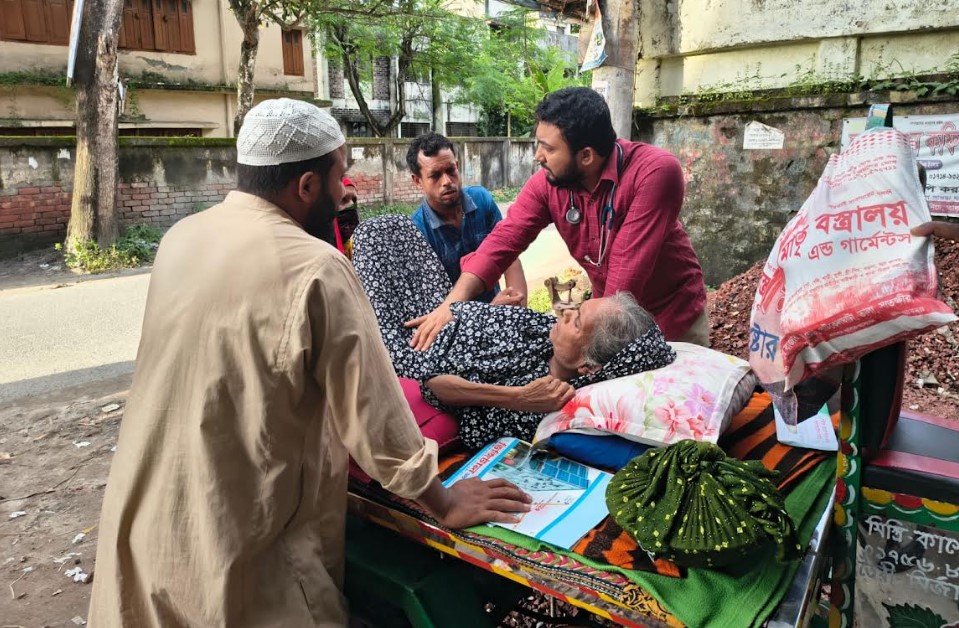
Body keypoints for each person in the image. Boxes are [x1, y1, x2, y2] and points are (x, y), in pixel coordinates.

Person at [87, 99, 530, 627]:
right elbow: (375, 419)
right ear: (305, 186)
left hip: (145, 510)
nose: (346, 192)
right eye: (340, 176)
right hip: (239, 530)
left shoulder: (183, 237)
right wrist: (445, 503)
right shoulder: (317, 267)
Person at [406, 87, 708, 350]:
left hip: (670, 317)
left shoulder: (653, 173)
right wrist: (451, 306)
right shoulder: (548, 183)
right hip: (606, 314)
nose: (538, 156)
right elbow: (503, 241)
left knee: (672, 412)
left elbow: (624, 284)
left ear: (586, 156)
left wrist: (565, 338)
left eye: (548, 148)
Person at [351, 215, 676, 449]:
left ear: (587, 366)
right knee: (393, 226)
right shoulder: (551, 334)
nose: (565, 314)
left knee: (370, 234)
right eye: (578, 307)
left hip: (417, 343)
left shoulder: (537, 397)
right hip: (443, 311)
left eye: (576, 321)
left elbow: (434, 385)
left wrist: (517, 398)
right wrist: (492, 307)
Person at [407, 132, 527, 305]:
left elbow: (510, 256)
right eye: (435, 175)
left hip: (499, 310)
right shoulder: (417, 231)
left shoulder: (481, 200)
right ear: (418, 181)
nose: (447, 181)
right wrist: (490, 312)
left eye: (450, 170)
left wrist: (518, 314)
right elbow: (434, 305)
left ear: (457, 165)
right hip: (456, 325)